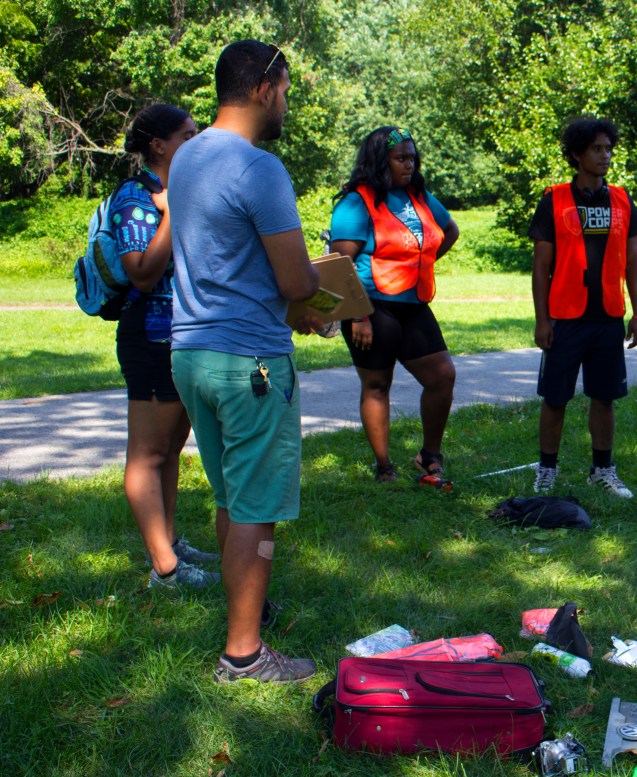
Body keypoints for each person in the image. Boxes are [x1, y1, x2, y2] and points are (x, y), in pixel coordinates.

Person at [168, 41, 321, 684]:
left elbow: (230, 263)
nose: (286, 101)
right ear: (263, 88)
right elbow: (294, 280)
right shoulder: (260, 169)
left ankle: (246, 614)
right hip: (250, 364)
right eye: (285, 89)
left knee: (231, 496)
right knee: (256, 505)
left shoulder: (187, 157)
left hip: (191, 354)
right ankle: (244, 655)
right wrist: (323, 296)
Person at [114, 104, 220, 590]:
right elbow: (141, 270)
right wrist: (173, 215)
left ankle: (170, 541)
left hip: (183, 337)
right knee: (147, 454)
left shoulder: (176, 193)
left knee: (172, 449)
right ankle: (165, 569)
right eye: (187, 135)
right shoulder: (136, 197)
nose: (195, 142)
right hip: (152, 337)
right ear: (158, 144)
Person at [329, 126, 460, 485]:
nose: (410, 164)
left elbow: (449, 231)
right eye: (401, 158)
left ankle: (429, 455)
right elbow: (339, 264)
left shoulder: (418, 197)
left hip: (413, 303)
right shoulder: (357, 202)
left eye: (412, 157)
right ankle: (385, 467)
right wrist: (358, 315)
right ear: (380, 160)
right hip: (370, 307)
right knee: (377, 385)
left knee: (442, 376)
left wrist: (422, 263)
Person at [528, 117, 637, 498]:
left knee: (604, 396)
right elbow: (541, 266)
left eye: (609, 148)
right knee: (555, 397)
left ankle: (603, 469)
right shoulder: (555, 199)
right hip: (564, 317)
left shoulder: (622, 200)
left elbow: (634, 262)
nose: (605, 155)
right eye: (597, 148)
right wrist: (542, 319)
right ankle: (547, 469)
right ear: (577, 154)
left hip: (608, 316)